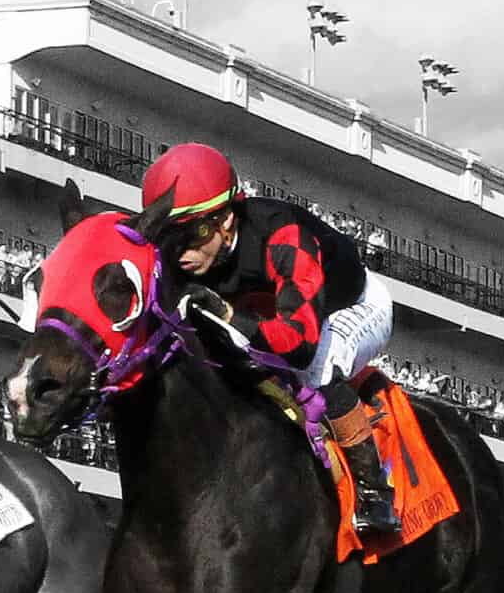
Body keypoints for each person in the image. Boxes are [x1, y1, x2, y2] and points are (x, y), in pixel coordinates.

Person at [139, 143, 400, 539]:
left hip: (350, 309)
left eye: (193, 235)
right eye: (170, 242)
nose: (182, 254)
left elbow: (299, 343)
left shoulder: (282, 233)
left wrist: (228, 315)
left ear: (226, 220)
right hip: (273, 315)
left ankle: (374, 494)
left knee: (317, 368)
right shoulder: (193, 254)